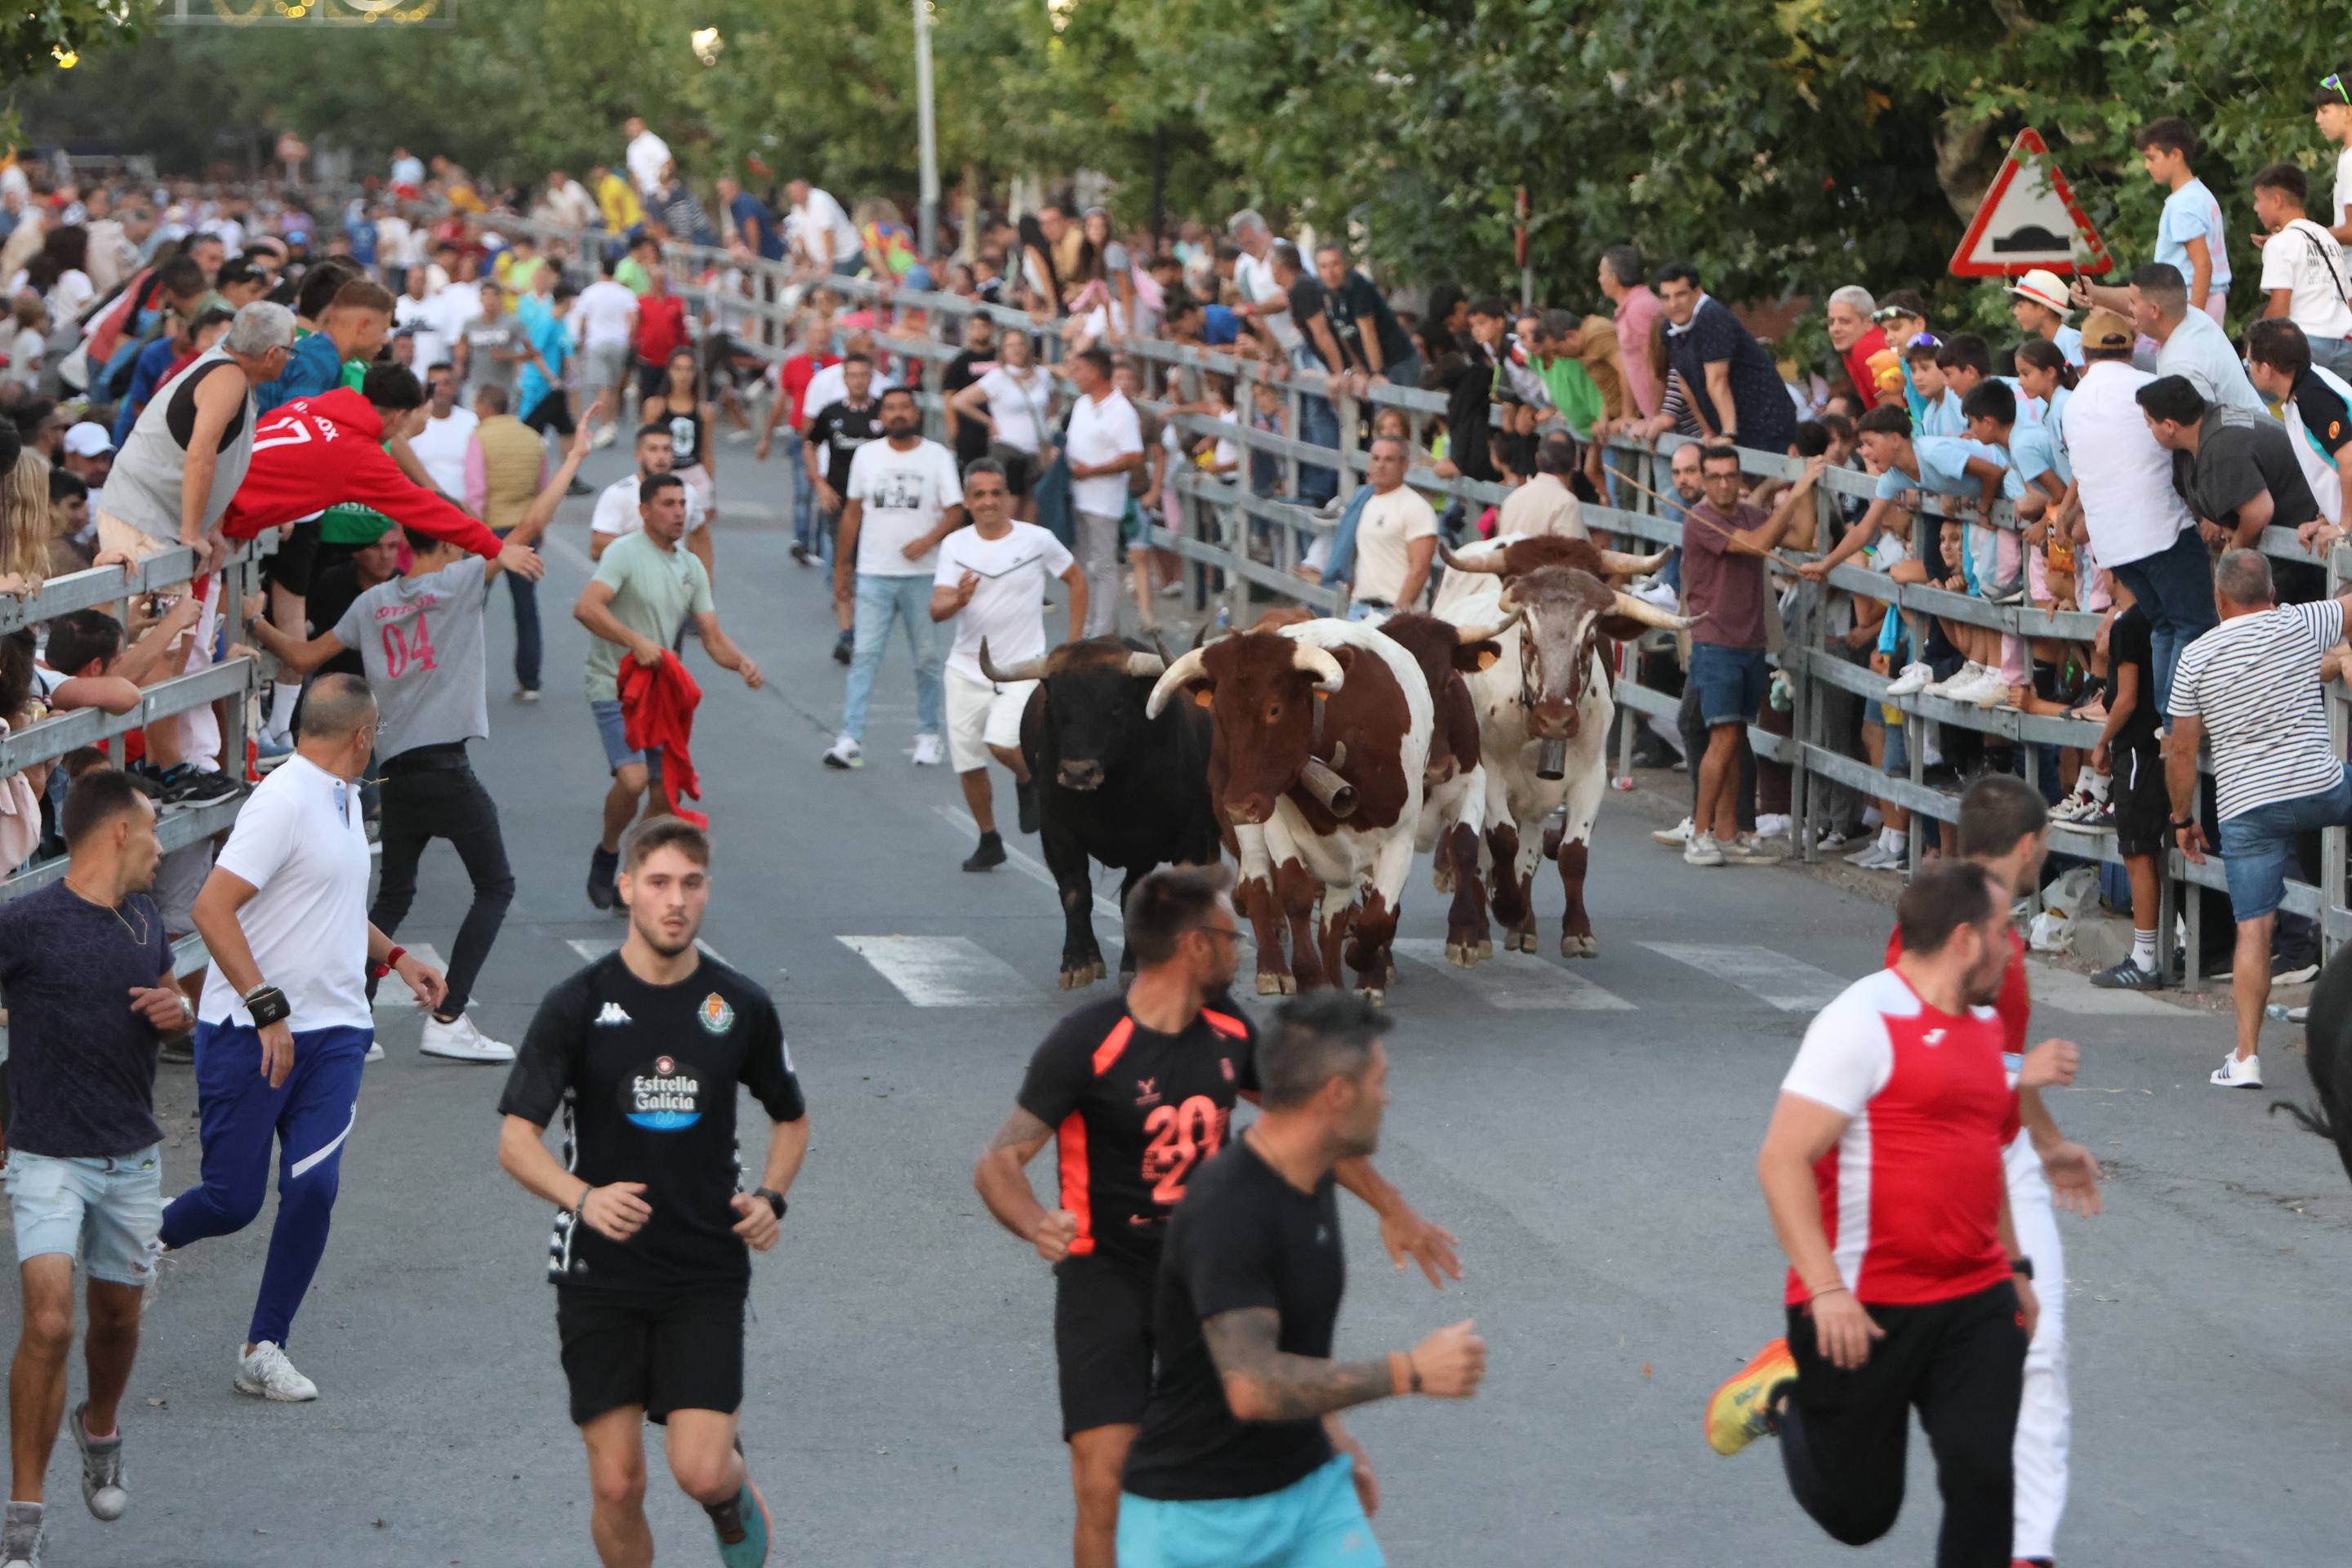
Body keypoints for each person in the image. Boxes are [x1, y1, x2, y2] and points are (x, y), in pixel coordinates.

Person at [975, 873, 1460, 1568]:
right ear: (1196, 947)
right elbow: (999, 1160)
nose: (1243, 952)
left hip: (1206, 1278)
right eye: (1234, 937)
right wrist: (1033, 1222)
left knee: (1253, 1453)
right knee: (1104, 1483)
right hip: (1104, 1274)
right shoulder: (1086, 1043)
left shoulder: (1233, 1032)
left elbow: (1310, 1121)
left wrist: (1394, 1207)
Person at [1705, 859, 2046, 1568]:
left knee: (1984, 1476)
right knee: (1861, 1513)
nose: (2014, 948)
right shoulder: (1862, 1021)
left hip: (1972, 1299)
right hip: (1862, 1304)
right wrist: (1825, 1289)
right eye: (2004, 931)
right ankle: (1786, 1397)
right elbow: (1781, 1161)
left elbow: (1984, 1157)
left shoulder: (1986, 1029)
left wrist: (2014, 1267)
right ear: (1964, 939)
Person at [497, 816, 807, 1568]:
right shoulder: (578, 1003)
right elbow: (515, 1141)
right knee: (617, 1485)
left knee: (700, 1470)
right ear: (629, 888)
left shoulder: (740, 1005)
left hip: (704, 1267)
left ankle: (730, 1495)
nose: (677, 901)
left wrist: (771, 1197)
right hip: (599, 1272)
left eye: (692, 884)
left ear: (707, 892)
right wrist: (582, 1197)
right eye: (660, 883)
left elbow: (791, 1118)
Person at [241, 423, 590, 1063]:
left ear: (403, 541)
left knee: (394, 897)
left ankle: (356, 1019)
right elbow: (525, 525)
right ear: (455, 543)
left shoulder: (373, 603)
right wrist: (570, 459)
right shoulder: (460, 585)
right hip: (448, 768)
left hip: (392, 772)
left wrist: (254, 617)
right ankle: (450, 1018)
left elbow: (300, 653)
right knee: (497, 885)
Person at [1114, 989, 1481, 1568]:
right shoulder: (1228, 1208)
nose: (1387, 1098)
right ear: (1336, 1095)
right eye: (1378, 1081)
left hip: (1308, 1496)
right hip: (1194, 1520)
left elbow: (1296, 1344)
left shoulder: (1311, 1177)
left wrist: (1335, 1444)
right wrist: (1408, 1372)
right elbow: (1254, 1385)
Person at [159, 675, 449, 1403]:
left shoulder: (343, 795)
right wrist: (268, 1009)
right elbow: (211, 908)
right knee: (231, 1203)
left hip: (337, 1033)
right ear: (361, 735)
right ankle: (142, 1244)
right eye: (375, 733)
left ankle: (264, 1346)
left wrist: (395, 957)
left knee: (313, 1186)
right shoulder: (283, 801)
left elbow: (338, 906)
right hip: (251, 1036)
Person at [1882, 777, 2102, 1566]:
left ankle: (2026, 1550)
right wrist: (2022, 1077)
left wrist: (2043, 1138)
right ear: (2031, 845)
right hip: (1953, 1150)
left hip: (1997, 1145)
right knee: (1998, 1342)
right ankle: (1813, 1380)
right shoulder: (1955, 932)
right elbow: (1930, 1060)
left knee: (2029, 1338)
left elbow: (1991, 1064)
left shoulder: (1974, 924)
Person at [0, 772, 186, 1565]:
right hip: (45, 1155)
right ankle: (23, 1518)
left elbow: (172, 995)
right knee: (48, 1321)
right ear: (117, 832)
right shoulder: (27, 924)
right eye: (152, 829)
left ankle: (100, 1424)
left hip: (131, 1158)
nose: (161, 845)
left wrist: (178, 1014)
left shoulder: (146, 920)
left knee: (116, 1319)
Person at [2167, 550, 2352, 1089]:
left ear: (2220, 600)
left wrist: (2184, 819)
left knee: (2255, 929)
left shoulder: (2196, 657)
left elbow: (2181, 752)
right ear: (2272, 594)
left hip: (2247, 806)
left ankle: (2246, 1057)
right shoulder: (2298, 621)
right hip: (2320, 786)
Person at [575, 474, 763, 908]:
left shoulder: (690, 566)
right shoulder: (623, 553)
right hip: (612, 684)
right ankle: (605, 852)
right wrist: (634, 641)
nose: (679, 512)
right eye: (668, 504)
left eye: (682, 503)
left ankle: (629, 873)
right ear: (644, 512)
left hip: (661, 693)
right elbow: (586, 607)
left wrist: (742, 663)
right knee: (634, 778)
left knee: (665, 796)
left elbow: (712, 636)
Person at [2058, 308, 2216, 712]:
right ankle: (2181, 719)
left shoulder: (2072, 405)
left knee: (2163, 626)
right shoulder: (2152, 386)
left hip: (2112, 544)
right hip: (2163, 530)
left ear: (2083, 351)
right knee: (2194, 625)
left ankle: (2168, 717)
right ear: (2132, 345)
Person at [929, 457, 1083, 871]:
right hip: (965, 668)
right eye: (979, 495)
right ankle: (989, 838)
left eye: (996, 493)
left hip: (1023, 667)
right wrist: (958, 600)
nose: (989, 502)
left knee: (1001, 742)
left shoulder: (1037, 540)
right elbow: (937, 608)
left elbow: (1076, 579)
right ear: (966, 501)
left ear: (1008, 497)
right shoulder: (955, 545)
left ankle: (1029, 778)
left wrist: (1072, 644)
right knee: (967, 763)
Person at [1680, 446, 1818, 866]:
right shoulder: (1700, 519)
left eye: (1730, 476)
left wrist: (1804, 485)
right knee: (1722, 738)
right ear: (1704, 481)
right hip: (1715, 641)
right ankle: (1699, 833)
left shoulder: (1748, 514)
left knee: (1735, 736)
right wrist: (1793, 496)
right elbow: (1759, 545)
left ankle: (1728, 832)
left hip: (1750, 642)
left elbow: (1802, 537)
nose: (1724, 484)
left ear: (1741, 480)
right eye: (1715, 476)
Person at [825, 385, 962, 772]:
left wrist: (927, 541)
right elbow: (852, 514)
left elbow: (956, 512)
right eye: (891, 409)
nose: (899, 414)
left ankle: (929, 736)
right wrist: (842, 568)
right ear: (881, 416)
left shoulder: (938, 457)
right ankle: (850, 737)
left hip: (923, 575)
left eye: (905, 407)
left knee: (928, 658)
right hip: (873, 572)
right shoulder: (867, 456)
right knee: (865, 654)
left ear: (916, 414)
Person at [2136, 373, 2321, 552]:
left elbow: (2258, 513)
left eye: (2150, 422)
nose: (2148, 428)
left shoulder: (2222, 447)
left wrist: (2233, 550)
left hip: (2302, 542)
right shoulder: (2200, 433)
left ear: (2169, 426)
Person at [464, 383, 558, 700]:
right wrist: (538, 527)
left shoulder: (480, 438)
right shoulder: (532, 438)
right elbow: (542, 488)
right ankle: (530, 681)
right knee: (526, 606)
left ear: (484, 405)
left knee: (472, 607)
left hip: (489, 532)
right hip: (525, 529)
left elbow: (476, 493)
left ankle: (464, 677)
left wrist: (470, 534)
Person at [1643, 262, 1797, 455]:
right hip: (1732, 426)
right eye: (1666, 297)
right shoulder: (1669, 329)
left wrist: (1728, 434)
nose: (1673, 304)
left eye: (1680, 295)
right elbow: (1685, 384)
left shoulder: (1711, 315)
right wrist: (1708, 433)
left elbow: (1717, 380)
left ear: (1697, 292)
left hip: (1766, 421)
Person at [2244, 318, 2352, 555]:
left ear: (2266, 368)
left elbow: (2349, 461)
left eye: (2250, 362)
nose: (2249, 368)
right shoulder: (2305, 388)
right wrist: (2326, 519)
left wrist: (2344, 526)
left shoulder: (2314, 398)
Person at [804, 355, 885, 665]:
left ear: (871, 378)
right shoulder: (832, 413)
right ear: (845, 379)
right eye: (852, 375)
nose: (858, 381)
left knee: (872, 567)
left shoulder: (884, 412)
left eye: (864, 375)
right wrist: (819, 484)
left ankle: (869, 631)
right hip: (840, 499)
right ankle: (847, 632)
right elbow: (809, 444)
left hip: (877, 502)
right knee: (843, 563)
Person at [1062, 348, 1144, 638]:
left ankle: (1102, 630)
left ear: (1096, 372)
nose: (1075, 376)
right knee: (1083, 562)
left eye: (1079, 370)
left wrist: (1093, 470)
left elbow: (1134, 455)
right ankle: (1090, 623)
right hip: (1078, 496)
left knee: (1105, 564)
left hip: (1103, 499)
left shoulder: (1121, 410)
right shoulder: (1083, 404)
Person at [752, 313, 839, 566]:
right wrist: (766, 437)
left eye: (824, 334)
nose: (820, 339)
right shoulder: (793, 364)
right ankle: (801, 540)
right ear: (807, 336)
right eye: (816, 333)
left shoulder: (837, 365)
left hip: (828, 437)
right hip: (800, 434)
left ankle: (823, 545)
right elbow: (781, 402)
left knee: (825, 489)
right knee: (803, 490)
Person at [1339, 435, 1437, 620]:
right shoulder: (1364, 502)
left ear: (1405, 466)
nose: (1380, 465)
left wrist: (1397, 614)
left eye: (1389, 459)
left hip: (1397, 613)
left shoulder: (1416, 507)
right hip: (1359, 609)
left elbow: (1420, 568)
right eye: (1376, 458)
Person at [642, 346, 720, 576]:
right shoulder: (655, 406)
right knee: (665, 533)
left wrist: (712, 490)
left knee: (697, 535)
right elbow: (647, 448)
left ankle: (698, 585)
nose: (683, 375)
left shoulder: (704, 410)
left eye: (688, 370)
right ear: (669, 371)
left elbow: (706, 450)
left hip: (694, 475)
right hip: (666, 476)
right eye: (678, 369)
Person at [573, 260, 640, 432]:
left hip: (597, 342)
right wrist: (629, 338)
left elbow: (582, 320)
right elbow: (633, 319)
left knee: (603, 385)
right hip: (619, 341)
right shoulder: (625, 293)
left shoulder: (590, 292)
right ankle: (611, 419)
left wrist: (580, 340)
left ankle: (605, 424)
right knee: (613, 385)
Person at [1495, 430, 1586, 541]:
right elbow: (1573, 554)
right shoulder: (1566, 503)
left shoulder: (1512, 500)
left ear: (1537, 459)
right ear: (1576, 461)